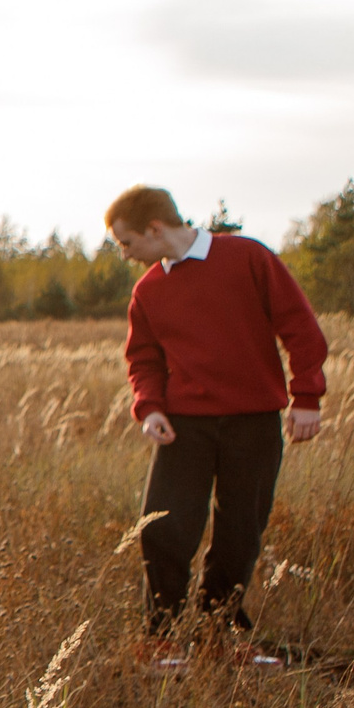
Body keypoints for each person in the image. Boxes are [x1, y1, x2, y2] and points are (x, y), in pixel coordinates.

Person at [105, 185, 326, 669]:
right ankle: (160, 641)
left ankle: (219, 640)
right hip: (183, 427)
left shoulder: (247, 257)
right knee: (163, 529)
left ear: (155, 229)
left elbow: (301, 327)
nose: (125, 254)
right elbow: (142, 360)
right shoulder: (148, 291)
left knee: (240, 532)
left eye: (126, 243)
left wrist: (306, 396)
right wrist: (151, 409)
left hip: (254, 422)